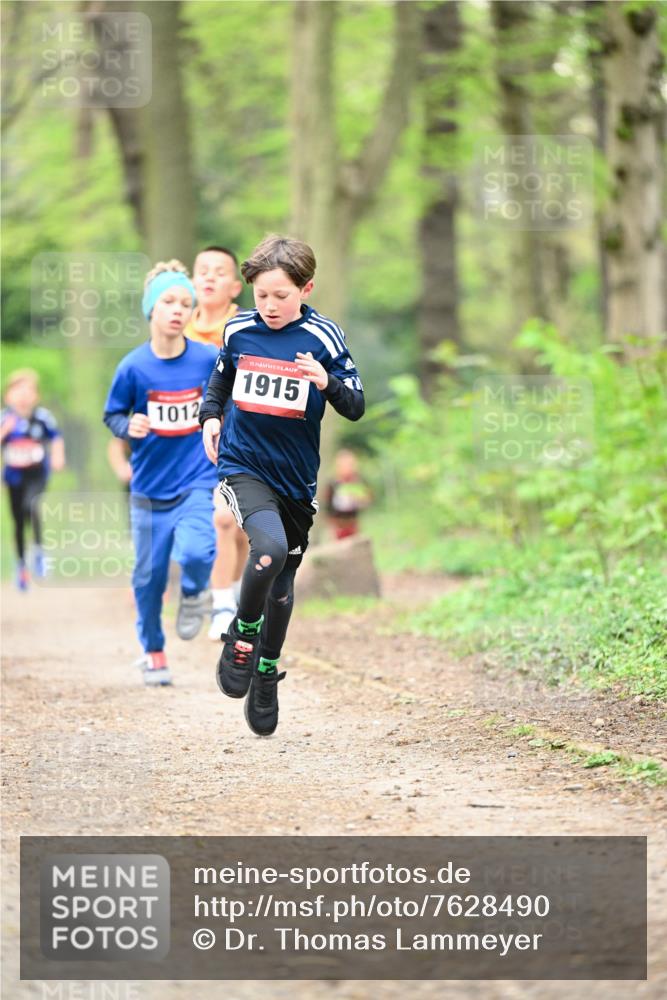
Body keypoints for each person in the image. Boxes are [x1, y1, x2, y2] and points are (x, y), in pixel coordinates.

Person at [199, 234, 365, 735]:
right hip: (243, 464)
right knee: (266, 550)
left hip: (296, 479)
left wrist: (325, 381)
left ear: (306, 289)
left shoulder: (324, 337)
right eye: (261, 295)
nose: (269, 306)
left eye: (281, 296)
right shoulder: (238, 330)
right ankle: (243, 633)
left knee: (284, 584)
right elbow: (220, 380)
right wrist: (210, 416)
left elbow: (355, 405)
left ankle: (267, 670)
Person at [103, 260, 218, 686]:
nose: (178, 310)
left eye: (187, 304)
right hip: (149, 489)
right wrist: (126, 425)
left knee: (197, 552)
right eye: (168, 301)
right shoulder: (133, 367)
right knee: (148, 577)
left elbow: (227, 398)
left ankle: (193, 592)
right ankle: (152, 649)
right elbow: (112, 413)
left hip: (197, 479)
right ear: (151, 309)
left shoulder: (208, 359)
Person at [185, 245, 249, 640]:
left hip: (238, 441)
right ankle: (223, 604)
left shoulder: (244, 328)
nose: (209, 277)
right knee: (220, 521)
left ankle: (238, 595)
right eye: (202, 270)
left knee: (239, 529)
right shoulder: (178, 328)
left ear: (236, 286)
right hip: (190, 447)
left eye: (219, 271)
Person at [1, 369, 65, 590]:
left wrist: (58, 456)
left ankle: (39, 552)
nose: (23, 396)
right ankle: (20, 565)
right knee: (18, 518)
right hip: (13, 476)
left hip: (37, 474)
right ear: (8, 395)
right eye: (18, 391)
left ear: (36, 396)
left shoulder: (42, 417)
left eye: (28, 391)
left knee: (32, 505)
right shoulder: (4, 419)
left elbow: (56, 438)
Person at [325, 448, 372, 541]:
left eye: (349, 464)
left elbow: (368, 500)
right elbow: (327, 505)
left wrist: (360, 499)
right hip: (337, 525)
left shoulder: (359, 482)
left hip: (353, 523)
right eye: (343, 464)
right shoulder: (333, 483)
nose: (347, 467)